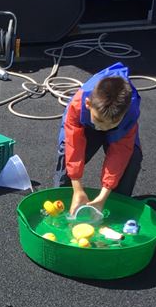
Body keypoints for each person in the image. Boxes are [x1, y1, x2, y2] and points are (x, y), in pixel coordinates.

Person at [54, 62, 142, 215]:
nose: (104, 128)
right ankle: (64, 202)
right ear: (88, 104)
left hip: (119, 128)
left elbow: (120, 154)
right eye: (101, 123)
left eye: (110, 124)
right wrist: (77, 188)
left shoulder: (129, 112)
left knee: (131, 158)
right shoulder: (79, 104)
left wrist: (102, 196)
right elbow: (73, 146)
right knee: (66, 152)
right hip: (87, 123)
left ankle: (113, 206)